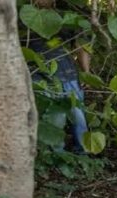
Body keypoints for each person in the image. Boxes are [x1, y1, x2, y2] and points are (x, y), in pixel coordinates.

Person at [24, 0, 90, 153]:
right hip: (39, 76)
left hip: (67, 74)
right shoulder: (22, 20)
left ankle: (83, 153)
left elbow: (80, 45)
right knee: (54, 118)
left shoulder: (65, 19)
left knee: (78, 117)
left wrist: (86, 72)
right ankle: (57, 154)